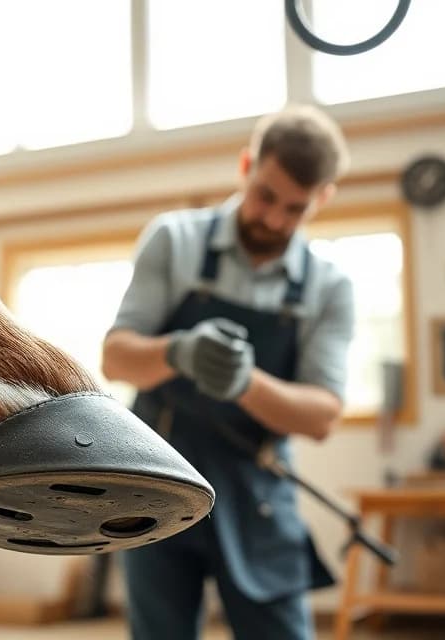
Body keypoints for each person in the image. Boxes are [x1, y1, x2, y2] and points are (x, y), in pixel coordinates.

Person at [101, 104, 356, 640]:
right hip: (156, 482)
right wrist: (178, 352)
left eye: (295, 208)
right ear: (246, 166)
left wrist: (246, 384)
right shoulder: (174, 241)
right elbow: (115, 357)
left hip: (258, 491)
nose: (274, 220)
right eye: (266, 196)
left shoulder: (328, 288)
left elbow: (321, 416)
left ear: (323, 199)